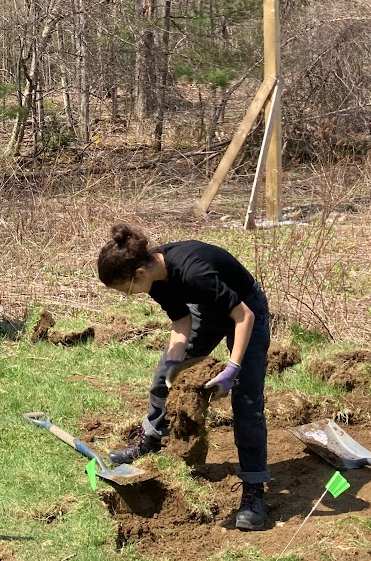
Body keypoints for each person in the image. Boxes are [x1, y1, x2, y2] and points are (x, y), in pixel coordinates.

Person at [97, 223, 271, 531]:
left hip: (246, 309)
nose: (130, 296)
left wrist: (232, 368)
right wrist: (175, 365)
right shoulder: (156, 278)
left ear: (139, 273)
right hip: (208, 309)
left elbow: (244, 316)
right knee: (163, 377)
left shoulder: (193, 272)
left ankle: (254, 489)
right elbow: (181, 320)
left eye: (126, 291)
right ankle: (150, 441)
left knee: (247, 399)